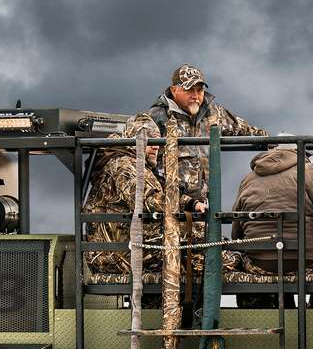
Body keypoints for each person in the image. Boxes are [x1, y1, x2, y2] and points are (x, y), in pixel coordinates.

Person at [84, 64, 268, 282]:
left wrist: (277, 148)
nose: (196, 95)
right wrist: (188, 204)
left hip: (193, 213)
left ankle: (200, 307)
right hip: (159, 223)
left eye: (199, 90)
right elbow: (151, 198)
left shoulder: (213, 114)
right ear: (174, 90)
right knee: (209, 257)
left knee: (210, 246)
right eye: (190, 90)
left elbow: (248, 132)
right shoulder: (152, 127)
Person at [230, 144, 313, 307]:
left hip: (259, 264)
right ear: (300, 153)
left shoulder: (248, 179)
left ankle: (261, 319)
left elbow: (236, 233)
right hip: (307, 263)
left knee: (246, 261)